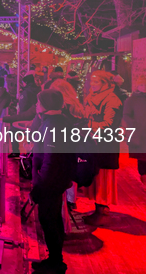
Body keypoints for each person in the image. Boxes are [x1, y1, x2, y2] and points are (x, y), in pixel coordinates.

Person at [30, 90, 75, 274]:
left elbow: (51, 159)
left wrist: (39, 187)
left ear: (46, 104)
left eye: (38, 102)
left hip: (50, 182)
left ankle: (55, 263)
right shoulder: (59, 120)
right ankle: (55, 259)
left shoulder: (52, 125)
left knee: (48, 220)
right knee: (54, 219)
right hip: (57, 179)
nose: (36, 105)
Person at [83, 70, 122, 226]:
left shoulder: (112, 100)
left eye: (97, 82)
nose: (93, 85)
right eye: (92, 82)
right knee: (95, 178)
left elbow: (109, 124)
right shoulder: (92, 97)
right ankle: (98, 208)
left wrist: (87, 125)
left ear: (106, 84)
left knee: (103, 179)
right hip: (94, 143)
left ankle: (102, 210)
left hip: (105, 145)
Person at [50, 79, 86, 210]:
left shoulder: (64, 107)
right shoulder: (76, 105)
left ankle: (66, 202)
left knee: (63, 171)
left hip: (65, 143)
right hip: (76, 143)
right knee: (71, 171)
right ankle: (71, 200)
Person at [123, 76, 146, 193]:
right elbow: (126, 115)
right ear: (137, 87)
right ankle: (145, 179)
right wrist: (134, 124)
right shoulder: (131, 100)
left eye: (145, 85)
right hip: (139, 134)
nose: (144, 87)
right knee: (143, 158)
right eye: (141, 85)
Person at [3, 74, 40, 158]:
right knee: (30, 136)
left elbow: (23, 108)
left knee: (12, 130)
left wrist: (19, 116)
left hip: (27, 117)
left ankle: (16, 152)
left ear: (26, 82)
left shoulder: (26, 92)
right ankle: (30, 152)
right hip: (35, 118)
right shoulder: (37, 90)